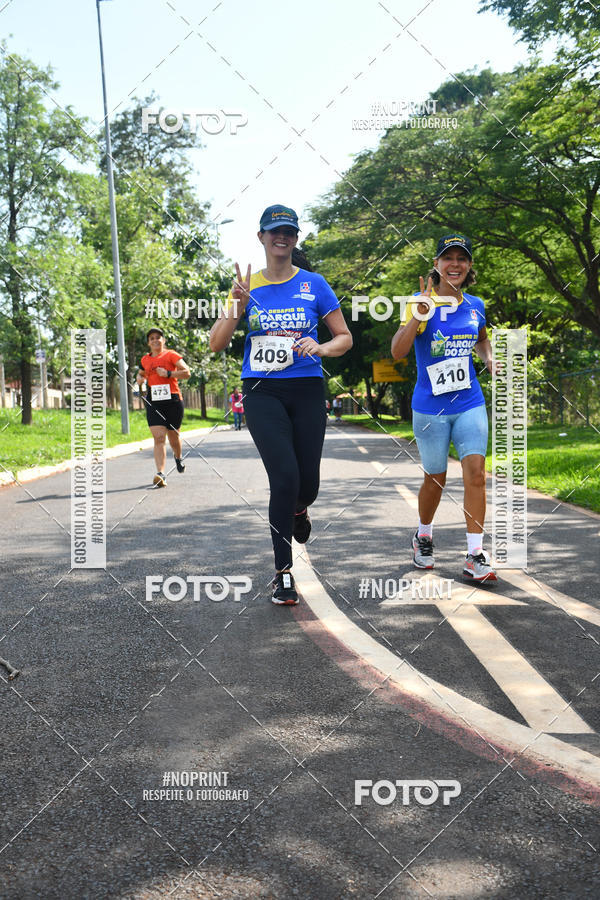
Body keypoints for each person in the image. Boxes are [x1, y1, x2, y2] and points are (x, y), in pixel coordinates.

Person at [209, 204, 352, 605]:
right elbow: (216, 343)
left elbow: (344, 337)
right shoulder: (246, 286)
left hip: (307, 388)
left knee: (308, 485)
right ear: (261, 237)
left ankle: (300, 510)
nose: (281, 237)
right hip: (262, 391)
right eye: (274, 231)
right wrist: (236, 305)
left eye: (288, 230)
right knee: (284, 478)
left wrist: (321, 346)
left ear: (295, 237)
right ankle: (283, 573)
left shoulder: (314, 284)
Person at [390, 234, 496, 582]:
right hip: (430, 407)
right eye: (447, 258)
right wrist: (416, 316)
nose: (455, 264)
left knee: (476, 474)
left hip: (469, 401)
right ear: (436, 265)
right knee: (436, 478)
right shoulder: (421, 303)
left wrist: (490, 359)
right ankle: (423, 535)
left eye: (461, 259)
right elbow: (398, 352)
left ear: (469, 266)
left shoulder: (476, 304)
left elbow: (481, 338)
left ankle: (475, 553)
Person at [137, 328, 191, 487]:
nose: (155, 340)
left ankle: (178, 456)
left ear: (163, 340)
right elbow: (141, 374)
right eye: (151, 338)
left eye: (158, 337)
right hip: (154, 401)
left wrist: (168, 374)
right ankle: (160, 474)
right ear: (148, 342)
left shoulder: (171, 355)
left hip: (173, 400)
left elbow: (186, 372)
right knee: (159, 438)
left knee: (174, 437)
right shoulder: (145, 359)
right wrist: (139, 378)